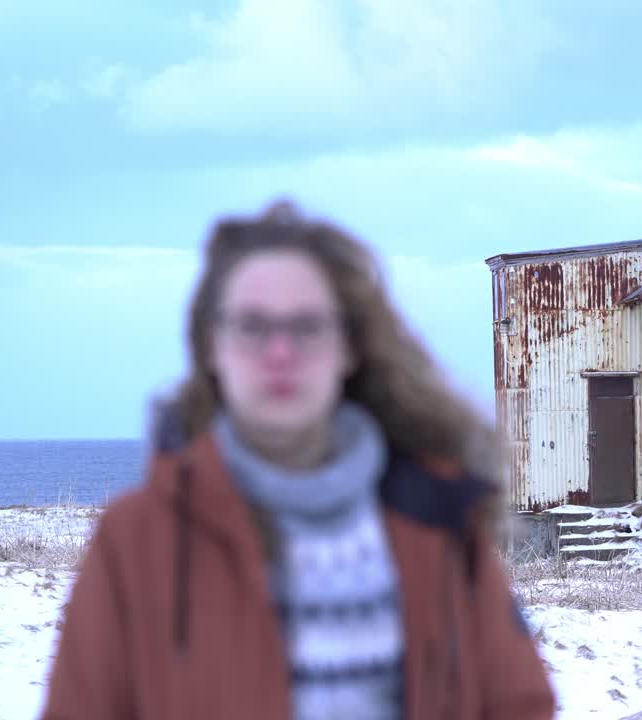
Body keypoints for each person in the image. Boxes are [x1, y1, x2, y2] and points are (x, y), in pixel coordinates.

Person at [41, 200, 555, 719]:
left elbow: (519, 704)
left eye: (307, 326)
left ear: (349, 346)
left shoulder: (438, 517)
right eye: (252, 326)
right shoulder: (136, 540)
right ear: (212, 345)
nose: (280, 352)